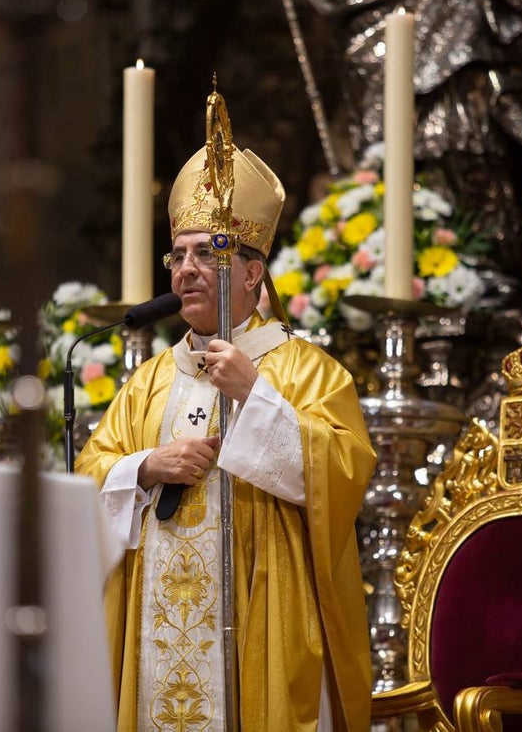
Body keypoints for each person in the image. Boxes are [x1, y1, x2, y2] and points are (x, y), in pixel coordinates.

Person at [75, 143, 377, 731]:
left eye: (205, 253)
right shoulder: (149, 380)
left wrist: (253, 395)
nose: (185, 269)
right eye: (177, 255)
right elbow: (88, 471)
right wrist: (145, 467)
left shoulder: (305, 370)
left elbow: (343, 471)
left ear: (252, 273)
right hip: (153, 629)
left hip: (264, 619)